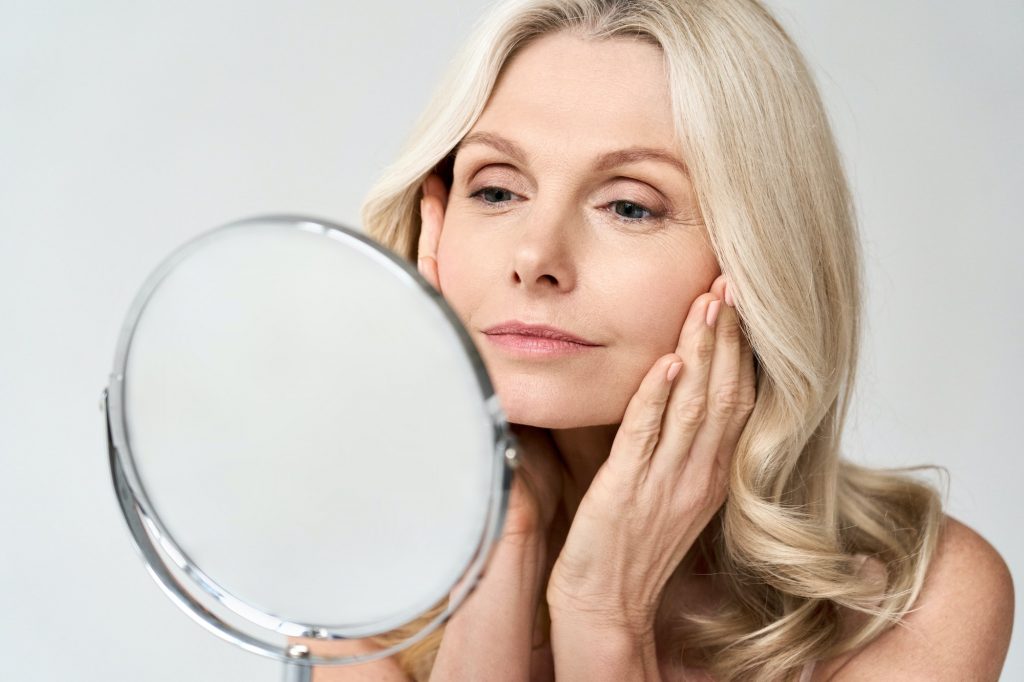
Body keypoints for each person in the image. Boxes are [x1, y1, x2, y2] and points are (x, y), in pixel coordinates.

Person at [303, 0, 1014, 679]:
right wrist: (505, 538)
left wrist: (604, 614)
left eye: (629, 205)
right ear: (437, 221)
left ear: (757, 260)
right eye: (496, 191)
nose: (535, 256)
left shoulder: (913, 599)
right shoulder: (360, 578)